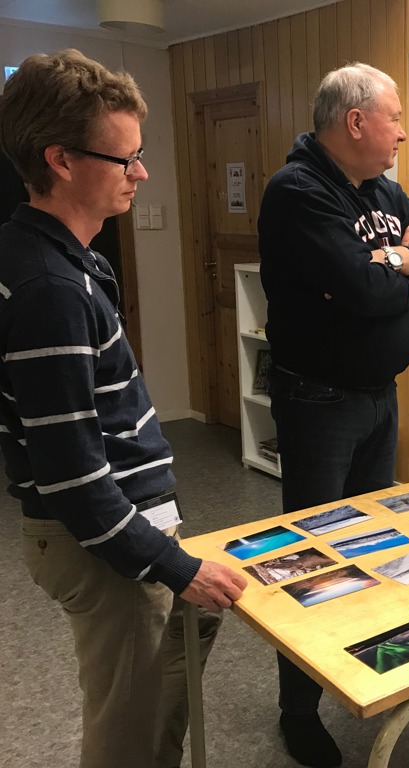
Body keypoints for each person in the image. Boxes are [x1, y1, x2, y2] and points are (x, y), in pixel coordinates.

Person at [0, 49, 246, 768]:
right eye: (126, 158)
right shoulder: (50, 289)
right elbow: (74, 478)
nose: (141, 174)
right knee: (127, 730)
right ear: (61, 161)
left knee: (171, 668)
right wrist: (173, 566)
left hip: (122, 526)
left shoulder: (63, 258)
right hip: (99, 544)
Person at [258, 62, 409, 767]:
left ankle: (370, 678)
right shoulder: (298, 191)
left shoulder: (380, 188)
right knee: (309, 560)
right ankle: (298, 710)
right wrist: (407, 265)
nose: (401, 133)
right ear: (355, 121)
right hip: (320, 402)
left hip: (378, 396)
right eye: (394, 118)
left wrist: (395, 259)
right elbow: (363, 291)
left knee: (372, 547)